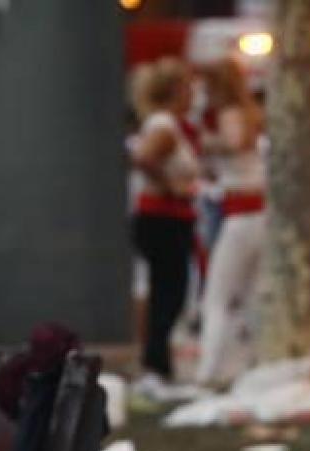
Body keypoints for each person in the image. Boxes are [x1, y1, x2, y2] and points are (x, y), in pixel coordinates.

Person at [193, 58, 265, 388]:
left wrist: (203, 141)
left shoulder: (229, 114)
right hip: (256, 210)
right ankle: (255, 362)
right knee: (251, 295)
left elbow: (234, 143)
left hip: (239, 211)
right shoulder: (249, 112)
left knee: (216, 297)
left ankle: (208, 370)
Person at [128, 58, 201, 382]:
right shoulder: (164, 127)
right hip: (163, 217)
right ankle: (155, 361)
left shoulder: (168, 125)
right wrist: (170, 186)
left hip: (168, 217)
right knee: (170, 291)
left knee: (166, 289)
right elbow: (144, 157)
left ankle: (158, 360)